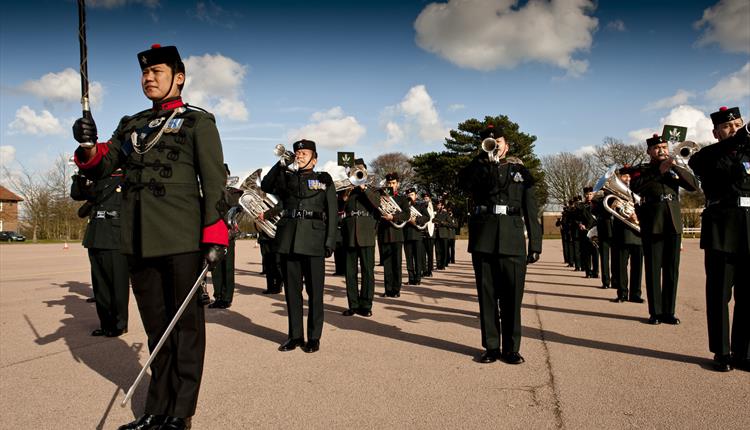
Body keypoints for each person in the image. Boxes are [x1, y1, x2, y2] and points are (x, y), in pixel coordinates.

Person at [72, 44, 228, 430]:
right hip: (138, 238)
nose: (148, 78)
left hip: (181, 238)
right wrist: (88, 144)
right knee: (157, 329)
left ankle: (180, 413)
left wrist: (215, 234)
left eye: (157, 71)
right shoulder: (132, 124)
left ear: (179, 78)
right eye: (144, 73)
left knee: (185, 330)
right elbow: (103, 165)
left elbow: (213, 181)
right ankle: (157, 409)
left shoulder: (198, 122)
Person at [458, 125, 542, 364]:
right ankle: (492, 347)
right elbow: (463, 183)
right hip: (484, 238)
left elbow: (531, 208)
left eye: (498, 141)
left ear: (507, 144)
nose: (494, 145)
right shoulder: (479, 169)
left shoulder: (520, 171)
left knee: (513, 297)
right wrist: (482, 159)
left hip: (513, 239)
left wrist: (535, 243)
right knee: (487, 297)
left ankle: (512, 348)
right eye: (489, 142)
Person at [260, 139, 337, 353]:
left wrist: (330, 241)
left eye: (305, 152)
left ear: (315, 158)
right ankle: (294, 336)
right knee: (292, 292)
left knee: (315, 292)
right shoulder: (286, 178)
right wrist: (281, 164)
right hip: (289, 240)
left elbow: (331, 212)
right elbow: (265, 186)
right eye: (298, 152)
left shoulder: (323, 179)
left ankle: (313, 337)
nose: (300, 155)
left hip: (314, 240)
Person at [689, 106, 749, 372]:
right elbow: (705, 166)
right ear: (716, 132)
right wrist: (742, 135)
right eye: (728, 125)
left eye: (738, 123)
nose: (734, 128)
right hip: (722, 227)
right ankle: (721, 351)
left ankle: (743, 352)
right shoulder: (707, 155)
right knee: (719, 294)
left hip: (749, 226)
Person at [630, 133, 698, 325]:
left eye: (664, 147)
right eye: (657, 148)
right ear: (649, 151)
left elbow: (693, 186)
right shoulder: (641, 170)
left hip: (673, 222)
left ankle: (669, 311)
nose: (662, 150)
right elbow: (636, 187)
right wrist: (660, 170)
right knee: (653, 269)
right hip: (653, 222)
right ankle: (655, 312)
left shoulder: (675, 168)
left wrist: (674, 165)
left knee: (671, 269)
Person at [70, 169, 129, 337]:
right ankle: (106, 324)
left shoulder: (126, 177)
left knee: (117, 284)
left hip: (116, 237)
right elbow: (76, 194)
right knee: (100, 286)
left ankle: (120, 323)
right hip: (95, 237)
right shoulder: (97, 179)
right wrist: (81, 175)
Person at [340, 158, 380, 317]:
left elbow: (377, 205)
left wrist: (363, 187)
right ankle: (353, 304)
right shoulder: (346, 189)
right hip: (349, 233)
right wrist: (346, 193)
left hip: (366, 233)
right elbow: (337, 208)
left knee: (367, 272)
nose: (356, 172)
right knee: (350, 273)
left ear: (365, 171)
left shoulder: (372, 189)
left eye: (359, 169)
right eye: (354, 169)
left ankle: (366, 305)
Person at [209, 164, 243, 309]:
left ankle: (227, 297)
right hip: (214, 233)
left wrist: (223, 191)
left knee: (228, 267)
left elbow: (234, 206)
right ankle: (218, 296)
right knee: (215, 267)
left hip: (228, 233)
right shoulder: (211, 192)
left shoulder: (235, 192)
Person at [609, 168, 644, 303]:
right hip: (621, 233)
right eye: (624, 176)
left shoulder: (639, 189)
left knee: (637, 266)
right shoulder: (613, 193)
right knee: (621, 266)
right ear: (619, 178)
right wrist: (613, 205)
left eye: (629, 176)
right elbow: (603, 209)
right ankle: (622, 293)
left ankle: (636, 294)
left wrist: (637, 216)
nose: (628, 178)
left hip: (637, 232)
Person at [378, 173, 411, 297]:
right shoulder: (381, 197)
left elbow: (406, 215)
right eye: (389, 183)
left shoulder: (402, 199)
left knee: (397, 264)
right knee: (387, 264)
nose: (391, 185)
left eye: (393, 183)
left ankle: (396, 290)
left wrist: (393, 216)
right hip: (385, 234)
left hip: (397, 234)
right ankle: (388, 290)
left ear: (397, 184)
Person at [403, 187, 430, 286]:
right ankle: (411, 278)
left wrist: (417, 221)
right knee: (409, 259)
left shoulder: (420, 205)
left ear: (416, 196)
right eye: (408, 195)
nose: (410, 196)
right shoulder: (404, 206)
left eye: (412, 195)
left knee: (418, 258)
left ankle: (418, 278)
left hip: (417, 234)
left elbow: (427, 217)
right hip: (406, 235)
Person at [575, 187, 598, 278]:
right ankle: (588, 272)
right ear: (585, 195)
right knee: (586, 253)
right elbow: (577, 218)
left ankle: (596, 272)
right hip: (585, 232)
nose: (589, 196)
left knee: (595, 253)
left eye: (590, 194)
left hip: (595, 232)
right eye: (587, 194)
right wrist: (580, 224)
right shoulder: (581, 206)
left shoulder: (597, 205)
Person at [592, 188, 613, 288]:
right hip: (604, 230)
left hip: (616, 230)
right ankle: (606, 281)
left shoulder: (618, 199)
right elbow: (594, 211)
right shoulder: (600, 201)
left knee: (616, 258)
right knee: (604, 257)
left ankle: (616, 280)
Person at [433, 200, 457, 270]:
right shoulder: (435, 213)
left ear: (442, 206)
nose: (438, 206)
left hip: (444, 234)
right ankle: (438, 264)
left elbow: (451, 224)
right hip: (436, 234)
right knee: (437, 251)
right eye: (438, 205)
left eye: (440, 205)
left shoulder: (446, 214)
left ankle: (443, 265)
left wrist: (443, 223)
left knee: (444, 250)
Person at [421, 192, 436, 278]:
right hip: (423, 232)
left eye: (427, 197)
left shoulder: (433, 206)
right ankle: (424, 270)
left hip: (430, 232)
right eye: (424, 197)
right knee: (422, 254)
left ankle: (429, 270)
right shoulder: (421, 206)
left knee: (430, 253)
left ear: (430, 198)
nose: (426, 198)